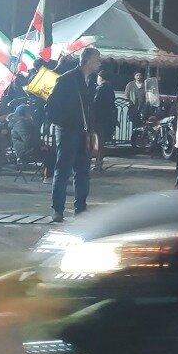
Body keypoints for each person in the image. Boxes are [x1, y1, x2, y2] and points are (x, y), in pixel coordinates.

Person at [46, 46, 101, 222]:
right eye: (97, 59)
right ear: (88, 60)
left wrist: (92, 127)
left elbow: (90, 108)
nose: (99, 63)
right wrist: (66, 122)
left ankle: (81, 208)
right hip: (67, 131)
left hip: (84, 133)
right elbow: (51, 107)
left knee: (83, 171)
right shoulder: (67, 79)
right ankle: (58, 209)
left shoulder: (91, 81)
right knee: (62, 170)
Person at [93, 67, 118, 172]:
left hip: (98, 118)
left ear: (101, 78)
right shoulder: (111, 90)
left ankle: (97, 164)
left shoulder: (100, 89)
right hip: (107, 119)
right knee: (101, 142)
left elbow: (95, 103)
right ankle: (99, 163)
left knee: (96, 142)